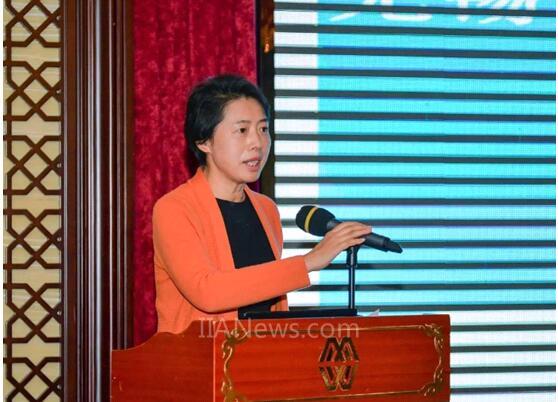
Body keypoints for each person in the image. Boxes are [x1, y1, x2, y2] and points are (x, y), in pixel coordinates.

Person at [153, 74, 371, 333]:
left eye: (263, 129)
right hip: (201, 356)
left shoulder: (266, 209)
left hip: (262, 354)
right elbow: (208, 292)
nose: (257, 143)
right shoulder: (174, 209)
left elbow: (269, 303)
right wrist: (309, 261)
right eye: (242, 130)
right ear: (204, 141)